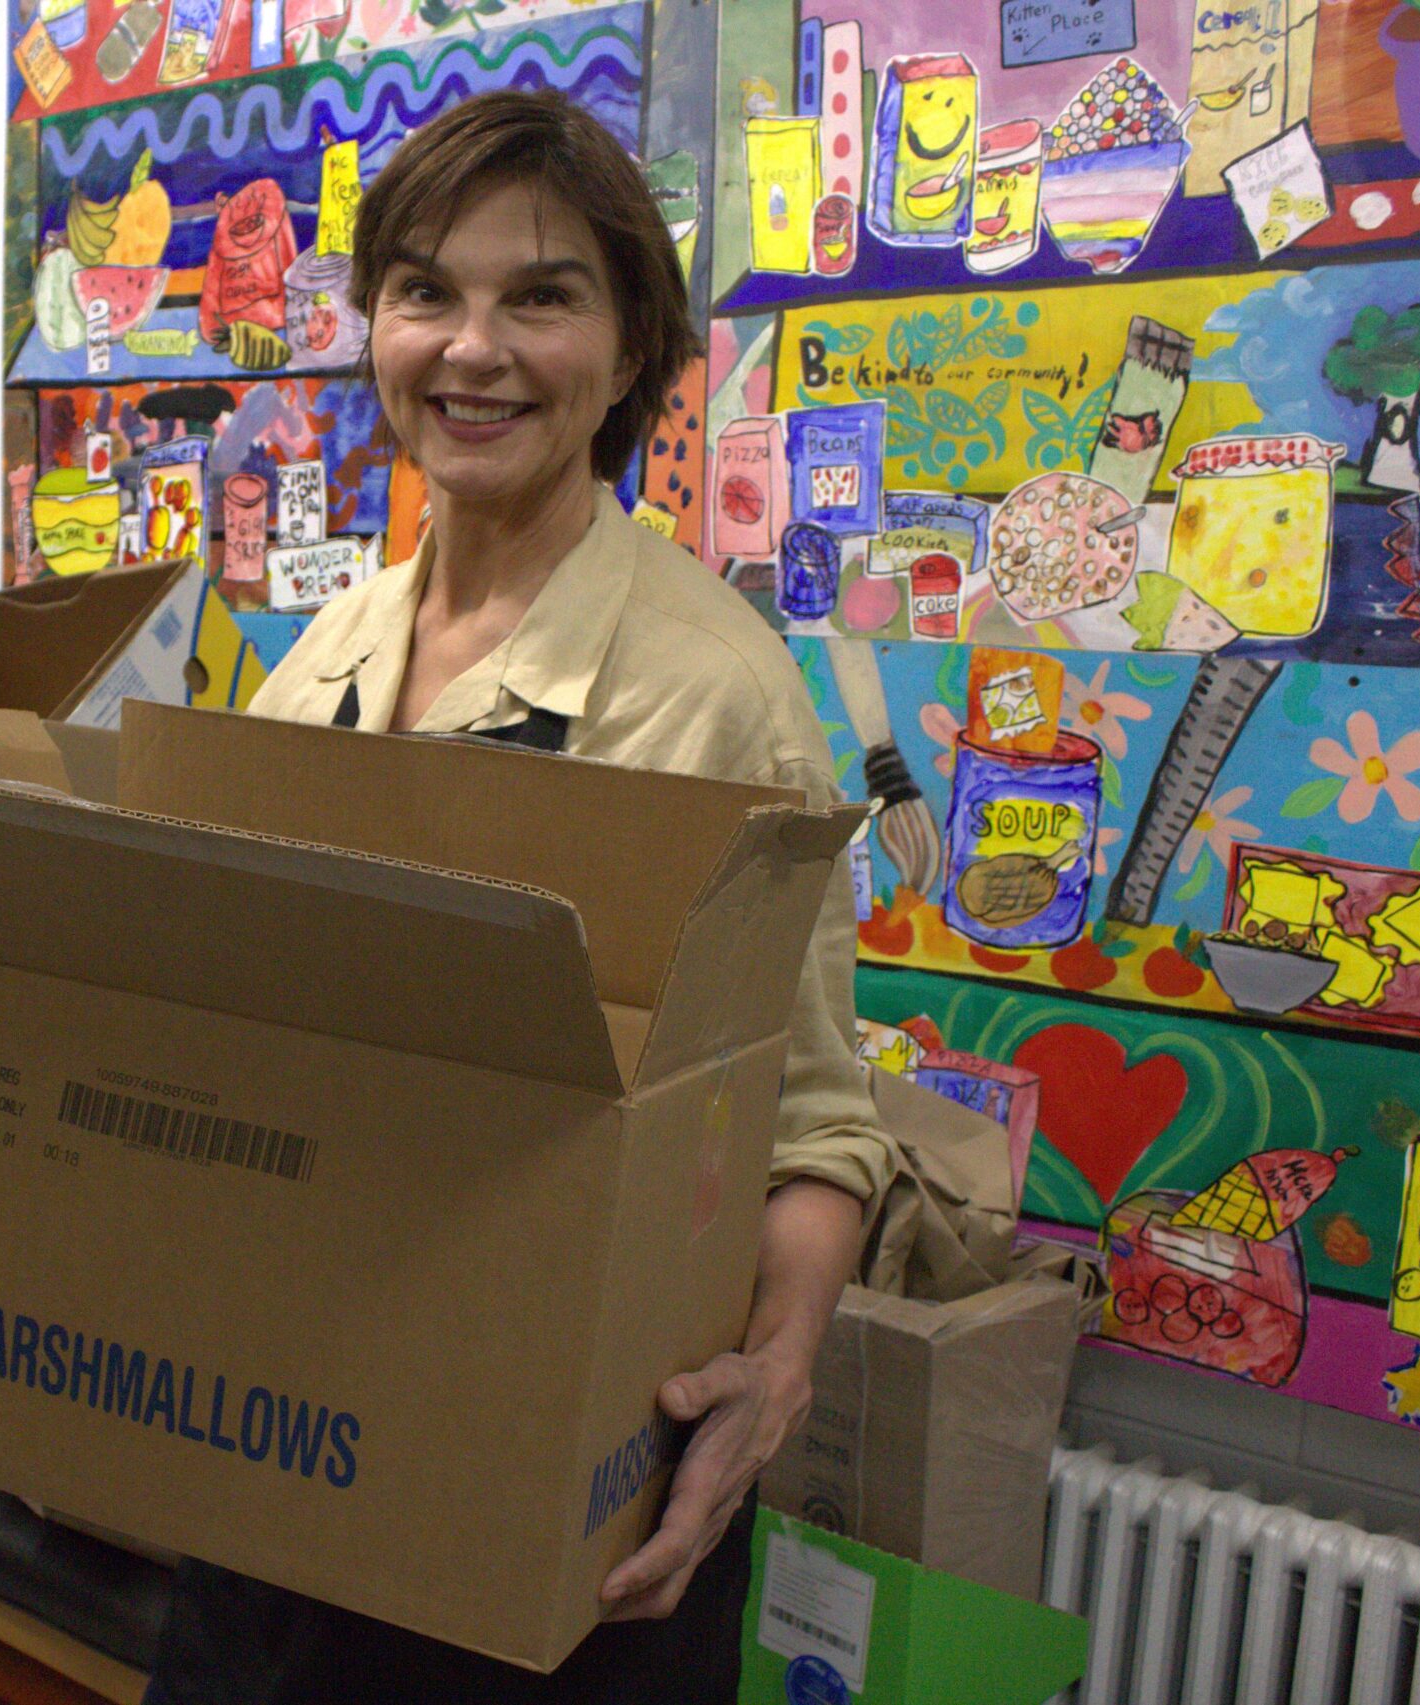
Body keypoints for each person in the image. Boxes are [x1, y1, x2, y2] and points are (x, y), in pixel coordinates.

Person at [144, 90, 895, 1704]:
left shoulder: (714, 700)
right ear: (375, 327)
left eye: (540, 297)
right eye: (427, 291)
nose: (471, 349)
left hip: (557, 1520)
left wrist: (775, 1376)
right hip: (289, 1457)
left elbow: (816, 1126)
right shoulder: (322, 664)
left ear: (627, 357)